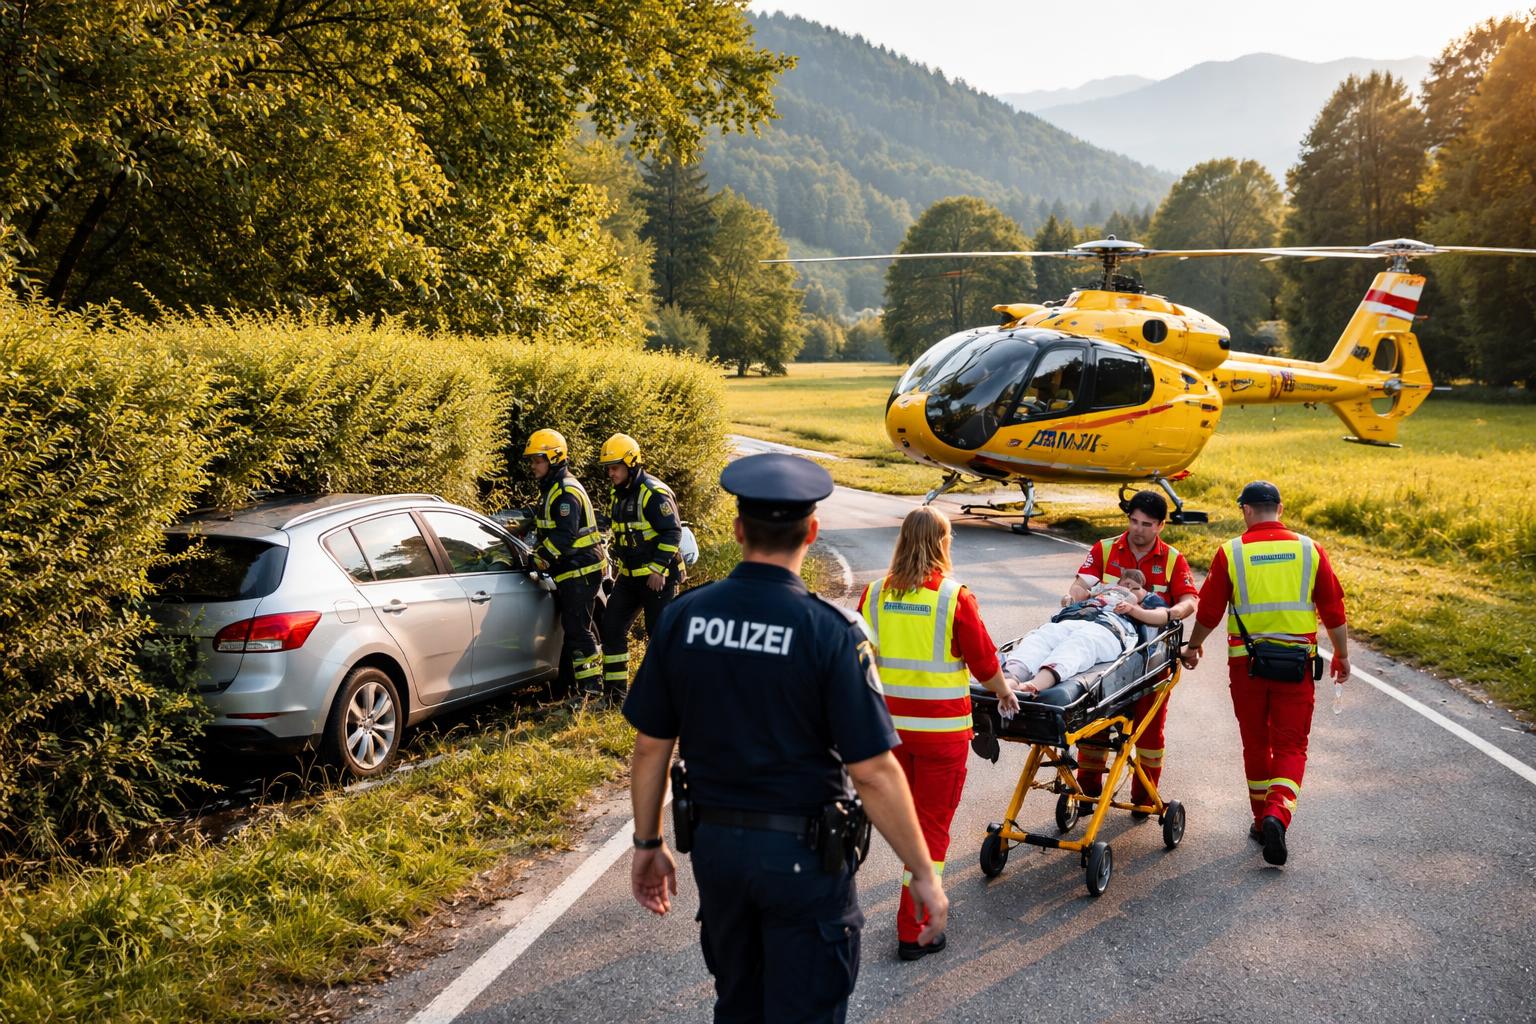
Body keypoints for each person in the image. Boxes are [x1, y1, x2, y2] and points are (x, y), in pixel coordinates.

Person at [624, 453, 947, 1023]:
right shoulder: (831, 631)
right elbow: (872, 771)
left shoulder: (683, 618)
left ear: (738, 530)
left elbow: (652, 746)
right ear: (812, 533)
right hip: (805, 863)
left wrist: (648, 845)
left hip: (719, 855)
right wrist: (922, 872)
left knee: (739, 1003)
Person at [856, 506, 1019, 961]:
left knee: (905, 827)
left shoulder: (872, 595)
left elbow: (855, 658)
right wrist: (1005, 694)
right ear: (943, 543)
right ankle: (915, 929)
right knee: (930, 830)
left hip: (888, 735)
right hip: (939, 736)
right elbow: (985, 664)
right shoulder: (953, 597)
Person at [1181, 480, 1350, 867]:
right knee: (1291, 747)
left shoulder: (1232, 552)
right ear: (1281, 508)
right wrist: (1341, 655)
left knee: (1256, 744)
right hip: (1296, 666)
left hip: (1248, 667)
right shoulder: (1310, 550)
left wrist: (1193, 647)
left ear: (1246, 510)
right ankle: (1278, 814)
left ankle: (1260, 820)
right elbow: (1333, 609)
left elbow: (1209, 611)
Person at [1065, 490, 1198, 810]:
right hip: (1108, 655)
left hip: (1152, 660)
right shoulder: (1106, 549)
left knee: (1149, 736)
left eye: (1146, 524)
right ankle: (1087, 792)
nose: (1138, 529)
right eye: (1133, 521)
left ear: (1161, 526)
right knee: (1094, 726)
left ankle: (1143, 799)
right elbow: (1081, 584)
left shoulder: (1172, 559)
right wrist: (1074, 597)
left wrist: (1172, 614)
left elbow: (1189, 600)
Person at [598, 433, 683, 703]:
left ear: (631, 464)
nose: (610, 473)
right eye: (608, 468)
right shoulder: (617, 495)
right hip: (630, 579)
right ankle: (615, 696)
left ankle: (667, 697)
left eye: (615, 467)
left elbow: (672, 532)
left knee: (659, 636)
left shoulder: (654, 494)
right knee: (611, 628)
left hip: (659, 578)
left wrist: (658, 569)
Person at [524, 428, 605, 696]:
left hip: (580, 570)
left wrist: (537, 559)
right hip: (573, 569)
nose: (534, 466)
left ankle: (591, 689)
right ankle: (577, 688)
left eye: (538, 460)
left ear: (554, 458)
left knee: (578, 631)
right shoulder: (553, 488)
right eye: (533, 461)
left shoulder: (565, 492)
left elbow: (563, 535)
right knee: (573, 630)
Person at [1006, 570, 1171, 695]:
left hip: (1110, 627)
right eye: (1125, 582)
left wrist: (1133, 610)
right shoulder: (1103, 590)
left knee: (1081, 643)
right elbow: (1082, 594)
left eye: (1134, 584)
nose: (1128, 586)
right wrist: (1070, 599)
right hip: (1075, 617)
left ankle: (1035, 685)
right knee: (1043, 635)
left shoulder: (1148, 598)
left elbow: (1162, 617)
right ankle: (1012, 677)